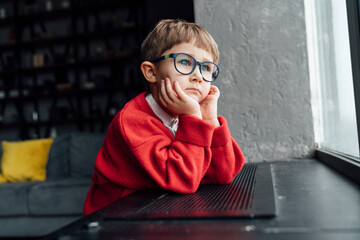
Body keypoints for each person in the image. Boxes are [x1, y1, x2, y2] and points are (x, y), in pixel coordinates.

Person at [83, 19, 246, 215]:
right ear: (151, 72)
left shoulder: (187, 114)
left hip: (159, 208)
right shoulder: (133, 120)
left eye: (206, 68)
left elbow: (224, 172)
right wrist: (192, 117)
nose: (198, 76)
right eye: (185, 62)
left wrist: (209, 118)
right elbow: (182, 179)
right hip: (116, 218)